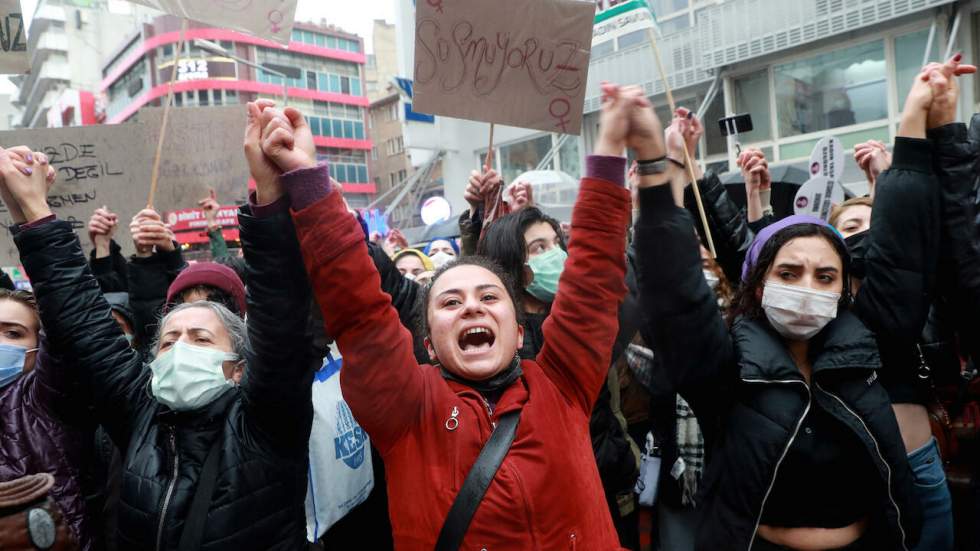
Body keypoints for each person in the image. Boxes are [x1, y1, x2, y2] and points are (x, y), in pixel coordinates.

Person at [254, 83, 648, 549]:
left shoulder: (564, 385)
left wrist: (609, 148)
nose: (472, 307)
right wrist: (308, 181)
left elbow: (593, 277)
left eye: (489, 296)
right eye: (450, 302)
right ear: (427, 343)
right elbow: (360, 311)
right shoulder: (407, 411)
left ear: (520, 331)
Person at [1, 109, 318, 548]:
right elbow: (84, 321)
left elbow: (281, 307)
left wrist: (270, 193)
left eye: (201, 338)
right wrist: (32, 211)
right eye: (168, 341)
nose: (180, 348)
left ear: (239, 367)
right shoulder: (140, 417)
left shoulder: (265, 424)